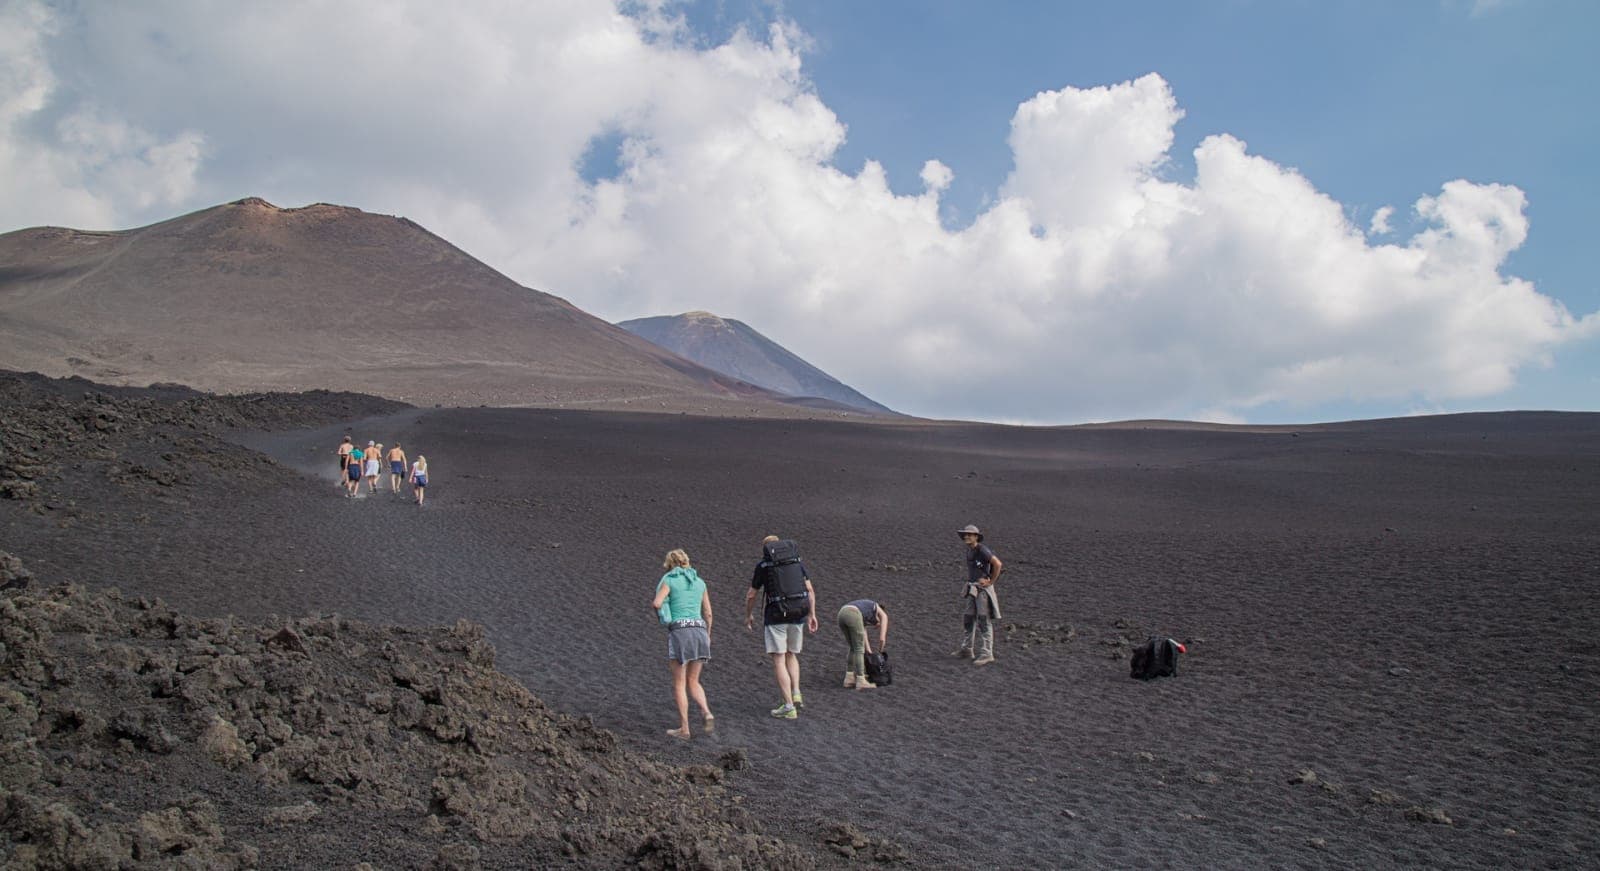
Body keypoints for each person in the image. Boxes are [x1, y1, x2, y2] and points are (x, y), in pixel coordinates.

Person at [744, 535, 818, 719]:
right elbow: (810, 590)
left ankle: (788, 706)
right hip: (798, 612)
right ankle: (796, 692)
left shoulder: (763, 566)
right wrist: (812, 614)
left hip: (776, 615)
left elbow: (752, 594)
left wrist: (748, 615)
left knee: (778, 659)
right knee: (791, 655)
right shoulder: (796, 563)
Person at [651, 549, 715, 740]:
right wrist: (708, 635)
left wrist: (664, 618)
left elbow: (657, 603)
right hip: (700, 631)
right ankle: (706, 711)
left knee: (679, 683)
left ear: (669, 564)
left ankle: (685, 729)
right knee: (694, 680)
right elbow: (709, 613)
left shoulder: (669, 580)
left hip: (680, 632)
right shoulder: (699, 582)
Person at [953, 524, 1002, 666]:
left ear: (976, 536)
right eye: (965, 535)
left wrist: (991, 581)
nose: (966, 536)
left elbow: (997, 564)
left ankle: (987, 653)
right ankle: (967, 649)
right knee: (968, 617)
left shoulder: (982, 550)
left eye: (969, 534)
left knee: (983, 619)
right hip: (972, 588)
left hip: (982, 590)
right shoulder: (970, 550)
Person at [837, 599, 889, 689]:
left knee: (853, 647)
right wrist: (880, 653)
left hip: (842, 614)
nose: (877, 625)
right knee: (859, 649)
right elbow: (882, 639)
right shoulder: (882, 614)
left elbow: (864, 635)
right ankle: (861, 680)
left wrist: (869, 653)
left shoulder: (865, 611)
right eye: (878, 623)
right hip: (853, 614)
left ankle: (849, 679)